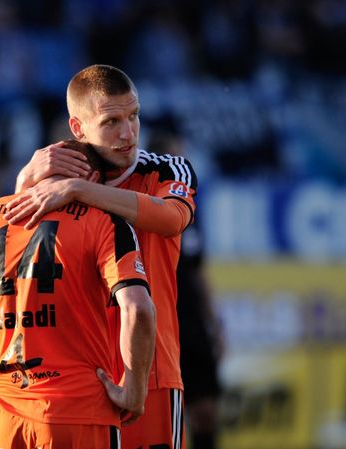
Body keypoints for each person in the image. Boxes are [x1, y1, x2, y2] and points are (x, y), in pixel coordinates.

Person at [0, 140, 156, 448]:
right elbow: (138, 310)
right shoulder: (104, 222)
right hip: (80, 412)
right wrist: (134, 390)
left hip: (5, 420)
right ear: (92, 182)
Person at [5, 64, 198, 449]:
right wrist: (23, 183)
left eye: (133, 116)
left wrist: (78, 190)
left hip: (150, 375)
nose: (128, 134)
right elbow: (11, 252)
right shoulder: (50, 178)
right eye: (111, 121)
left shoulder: (165, 169)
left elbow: (172, 218)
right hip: (77, 380)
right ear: (78, 128)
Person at [151, 130, 223, 449]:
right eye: (177, 156)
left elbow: (197, 270)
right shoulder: (137, 208)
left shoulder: (188, 209)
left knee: (205, 411)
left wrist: (212, 322)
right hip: (158, 324)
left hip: (191, 323)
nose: (184, 166)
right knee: (162, 420)